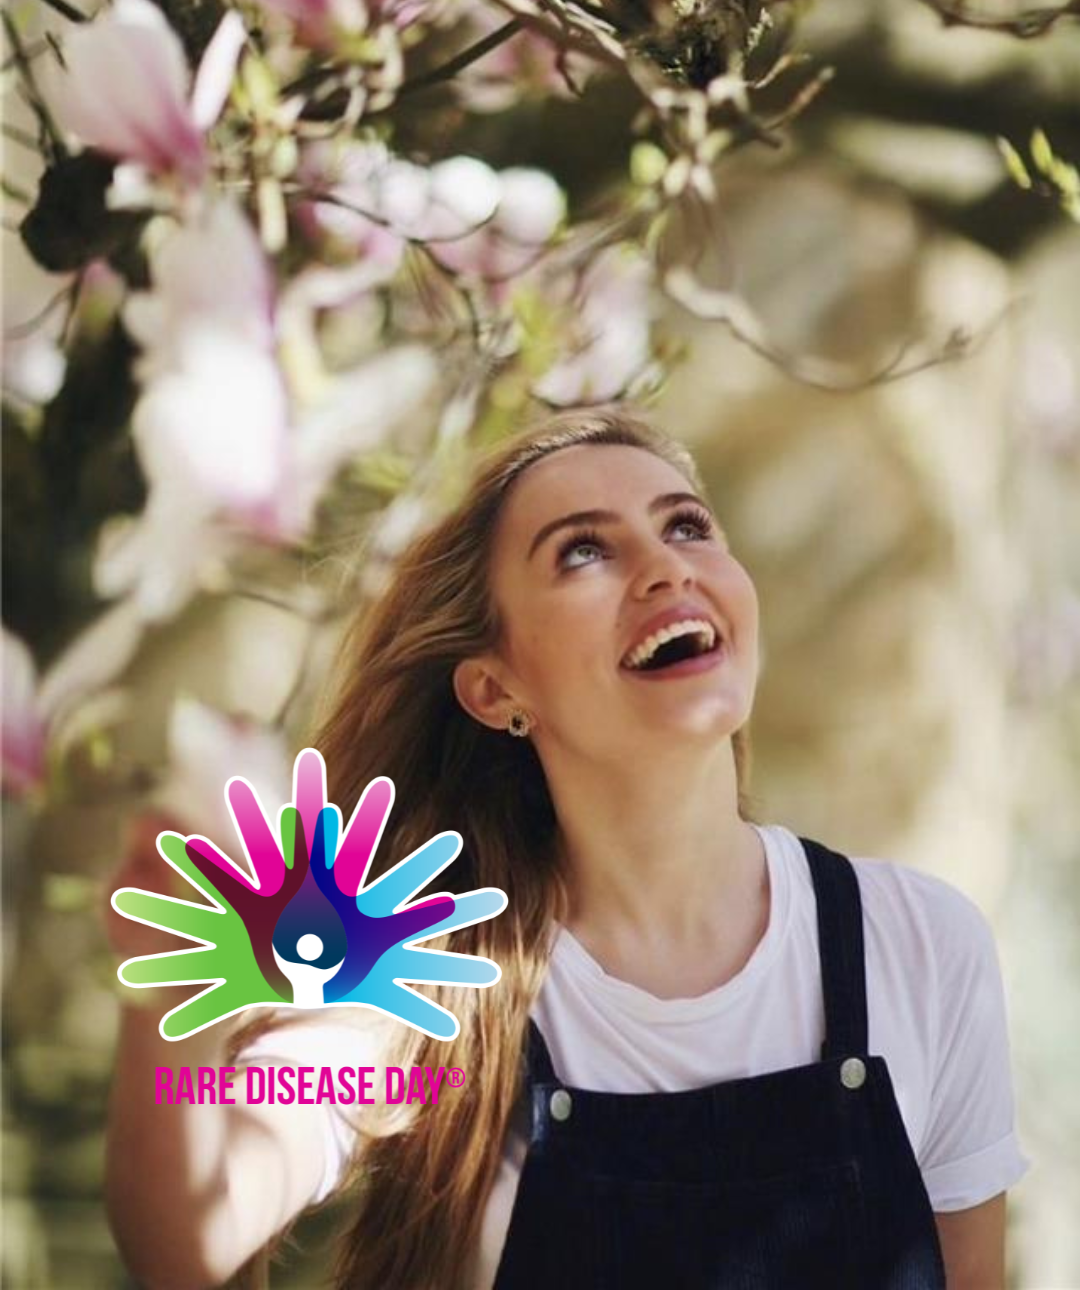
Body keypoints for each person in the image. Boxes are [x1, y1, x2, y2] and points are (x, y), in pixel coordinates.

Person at [103, 407, 1030, 1290]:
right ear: (495, 689)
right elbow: (192, 1237)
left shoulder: (918, 943)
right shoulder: (425, 981)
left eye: (689, 526)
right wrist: (157, 1000)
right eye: (583, 550)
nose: (668, 568)